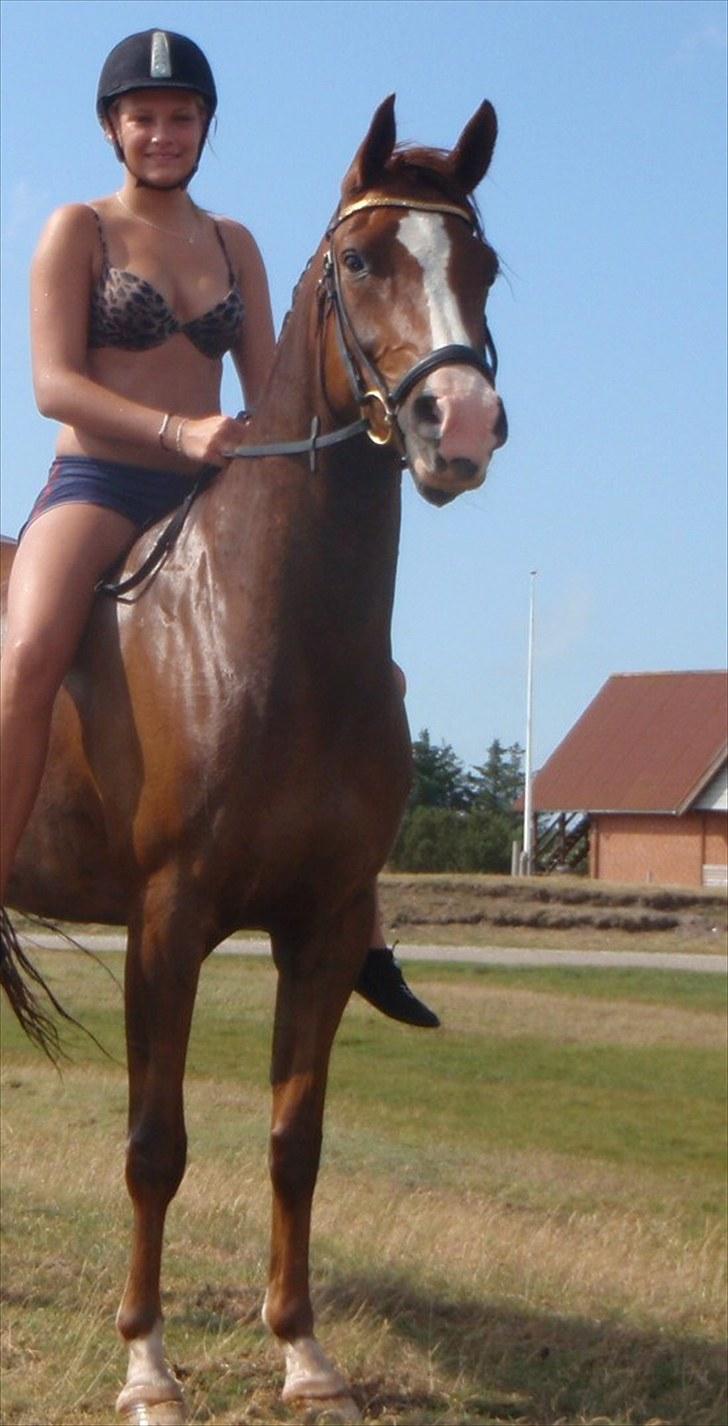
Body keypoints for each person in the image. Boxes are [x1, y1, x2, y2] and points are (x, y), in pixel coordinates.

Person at [0, 28, 439, 1030]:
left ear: (205, 127)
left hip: (210, 492)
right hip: (98, 483)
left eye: (181, 117)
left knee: (364, 675)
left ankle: (361, 922)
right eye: (144, 117)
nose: (163, 133)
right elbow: (52, 384)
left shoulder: (235, 242)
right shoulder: (78, 229)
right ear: (112, 128)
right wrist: (175, 429)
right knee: (26, 652)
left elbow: (274, 386)